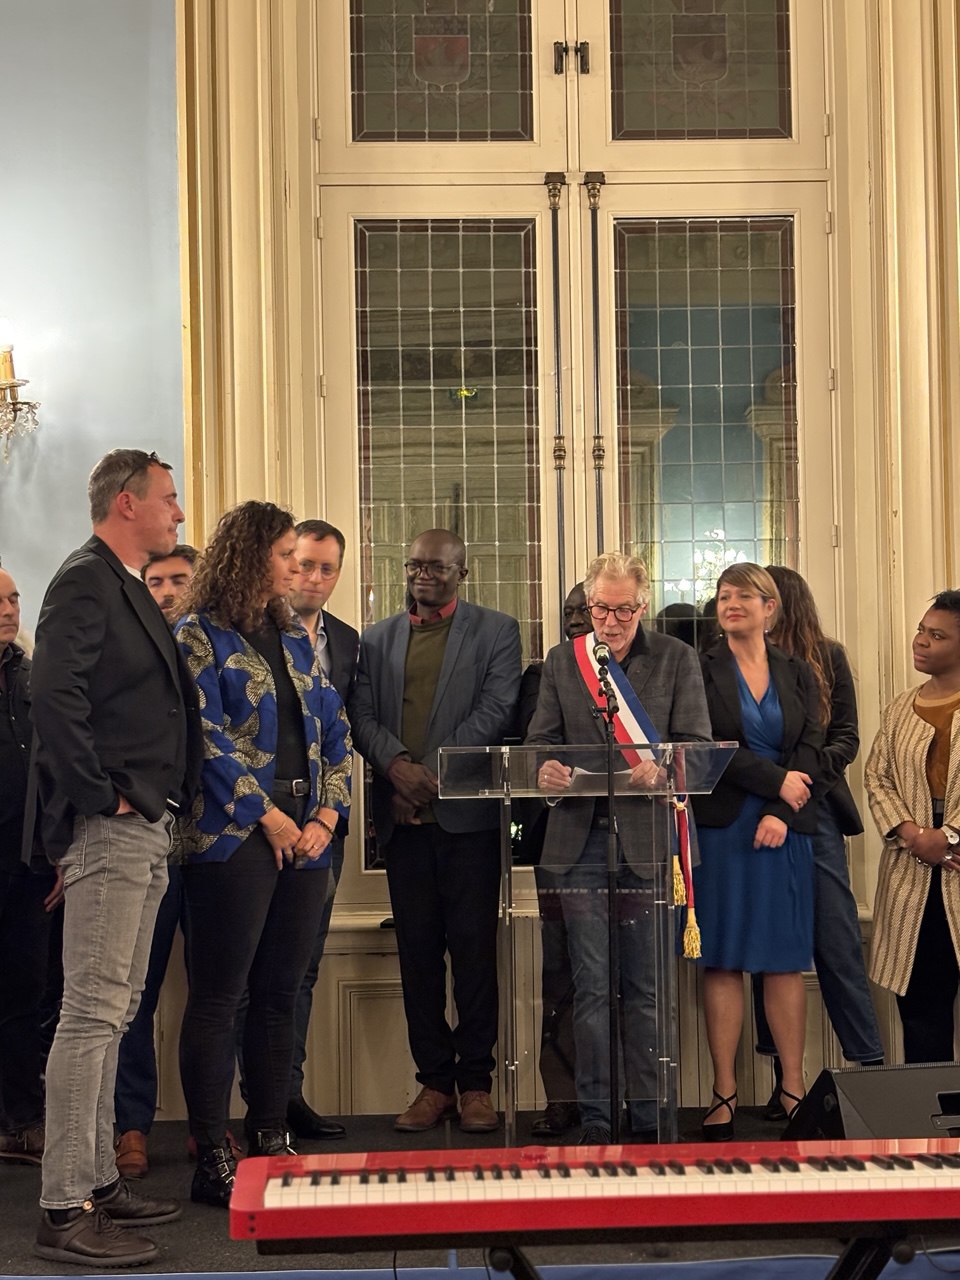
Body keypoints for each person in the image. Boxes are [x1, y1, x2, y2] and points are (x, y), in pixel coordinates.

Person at [27, 448, 202, 1268]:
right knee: (91, 1016)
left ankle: (98, 1182)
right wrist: (103, 796)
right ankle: (63, 1207)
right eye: (169, 498)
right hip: (110, 828)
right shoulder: (83, 579)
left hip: (145, 829)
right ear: (127, 502)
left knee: (115, 1011)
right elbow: (54, 699)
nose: (178, 511)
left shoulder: (125, 582)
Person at [175, 501, 350, 1208]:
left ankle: (272, 1135)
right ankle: (213, 1153)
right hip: (230, 835)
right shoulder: (196, 635)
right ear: (251, 557)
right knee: (221, 997)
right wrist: (268, 816)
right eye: (284, 555)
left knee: (280, 993)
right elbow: (205, 739)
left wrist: (329, 813)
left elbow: (333, 727)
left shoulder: (296, 634)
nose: (295, 568)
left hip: (308, 830)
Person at [525, 552, 711, 1145]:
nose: (609, 620)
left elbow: (699, 749)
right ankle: (598, 1124)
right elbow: (537, 747)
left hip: (649, 842)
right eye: (598, 609)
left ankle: (653, 1123)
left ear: (643, 605)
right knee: (591, 989)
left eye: (622, 609)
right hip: (577, 841)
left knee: (649, 992)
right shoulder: (564, 661)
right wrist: (546, 771)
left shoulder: (677, 659)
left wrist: (664, 767)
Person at [349, 529, 521, 1134]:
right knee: (418, 959)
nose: (425, 575)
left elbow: (496, 712)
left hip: (467, 821)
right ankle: (434, 1083)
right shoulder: (374, 641)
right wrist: (396, 767)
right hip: (404, 825)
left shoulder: (497, 631)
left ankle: (476, 1083)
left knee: (474, 957)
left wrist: (429, 775)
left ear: (461, 572)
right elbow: (361, 716)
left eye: (438, 567)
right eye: (416, 566)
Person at [692, 563, 822, 1141]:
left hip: (783, 828)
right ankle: (724, 1093)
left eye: (746, 594)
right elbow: (709, 748)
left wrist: (780, 809)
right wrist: (774, 786)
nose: (732, 603)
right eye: (724, 595)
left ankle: (793, 1088)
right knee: (721, 957)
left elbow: (813, 747)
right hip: (723, 828)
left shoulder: (799, 672)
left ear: (772, 608)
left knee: (781, 959)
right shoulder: (699, 669)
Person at [752, 566, 883, 1120]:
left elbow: (845, 737)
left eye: (761, 597)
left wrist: (799, 790)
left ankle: (871, 1074)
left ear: (784, 603)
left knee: (836, 941)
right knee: (770, 948)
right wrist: (770, 791)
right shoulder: (736, 659)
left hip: (817, 812)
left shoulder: (828, 655)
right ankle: (786, 1083)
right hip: (755, 815)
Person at [113, 545, 201, 1178]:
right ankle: (131, 1128)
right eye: (156, 581)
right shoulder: (125, 652)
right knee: (132, 995)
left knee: (219, 993)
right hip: (146, 845)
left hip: (219, 848)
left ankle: (210, 1126)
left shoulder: (225, 647)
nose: (167, 591)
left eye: (179, 581)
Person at [285, 519, 358, 1140]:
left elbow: (346, 736)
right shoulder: (247, 633)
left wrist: (329, 817)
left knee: (303, 967)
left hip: (324, 831)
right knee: (249, 976)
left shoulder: (350, 642)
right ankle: (234, 1114)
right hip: (258, 828)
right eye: (304, 564)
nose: (313, 577)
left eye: (326, 568)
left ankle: (288, 1095)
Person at [865, 590, 960, 1062]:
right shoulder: (901, 707)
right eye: (921, 629)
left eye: (936, 635)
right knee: (921, 1005)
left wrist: (949, 836)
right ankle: (932, 1127)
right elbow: (876, 776)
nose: (920, 641)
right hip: (912, 870)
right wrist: (911, 833)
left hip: (953, 854)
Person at [516, 583, 592, 1140]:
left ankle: (620, 1100)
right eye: (568, 611)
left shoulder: (641, 673)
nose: (575, 619)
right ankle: (564, 1098)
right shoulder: (542, 677)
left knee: (620, 983)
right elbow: (529, 753)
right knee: (561, 977)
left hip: (625, 849)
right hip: (559, 846)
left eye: (585, 611)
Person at [0, 566, 60, 1168]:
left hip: (29, 866)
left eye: (14, 597)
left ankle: (20, 1122)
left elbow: (55, 772)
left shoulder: (32, 676)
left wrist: (60, 852)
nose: (9, 608)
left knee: (27, 996)